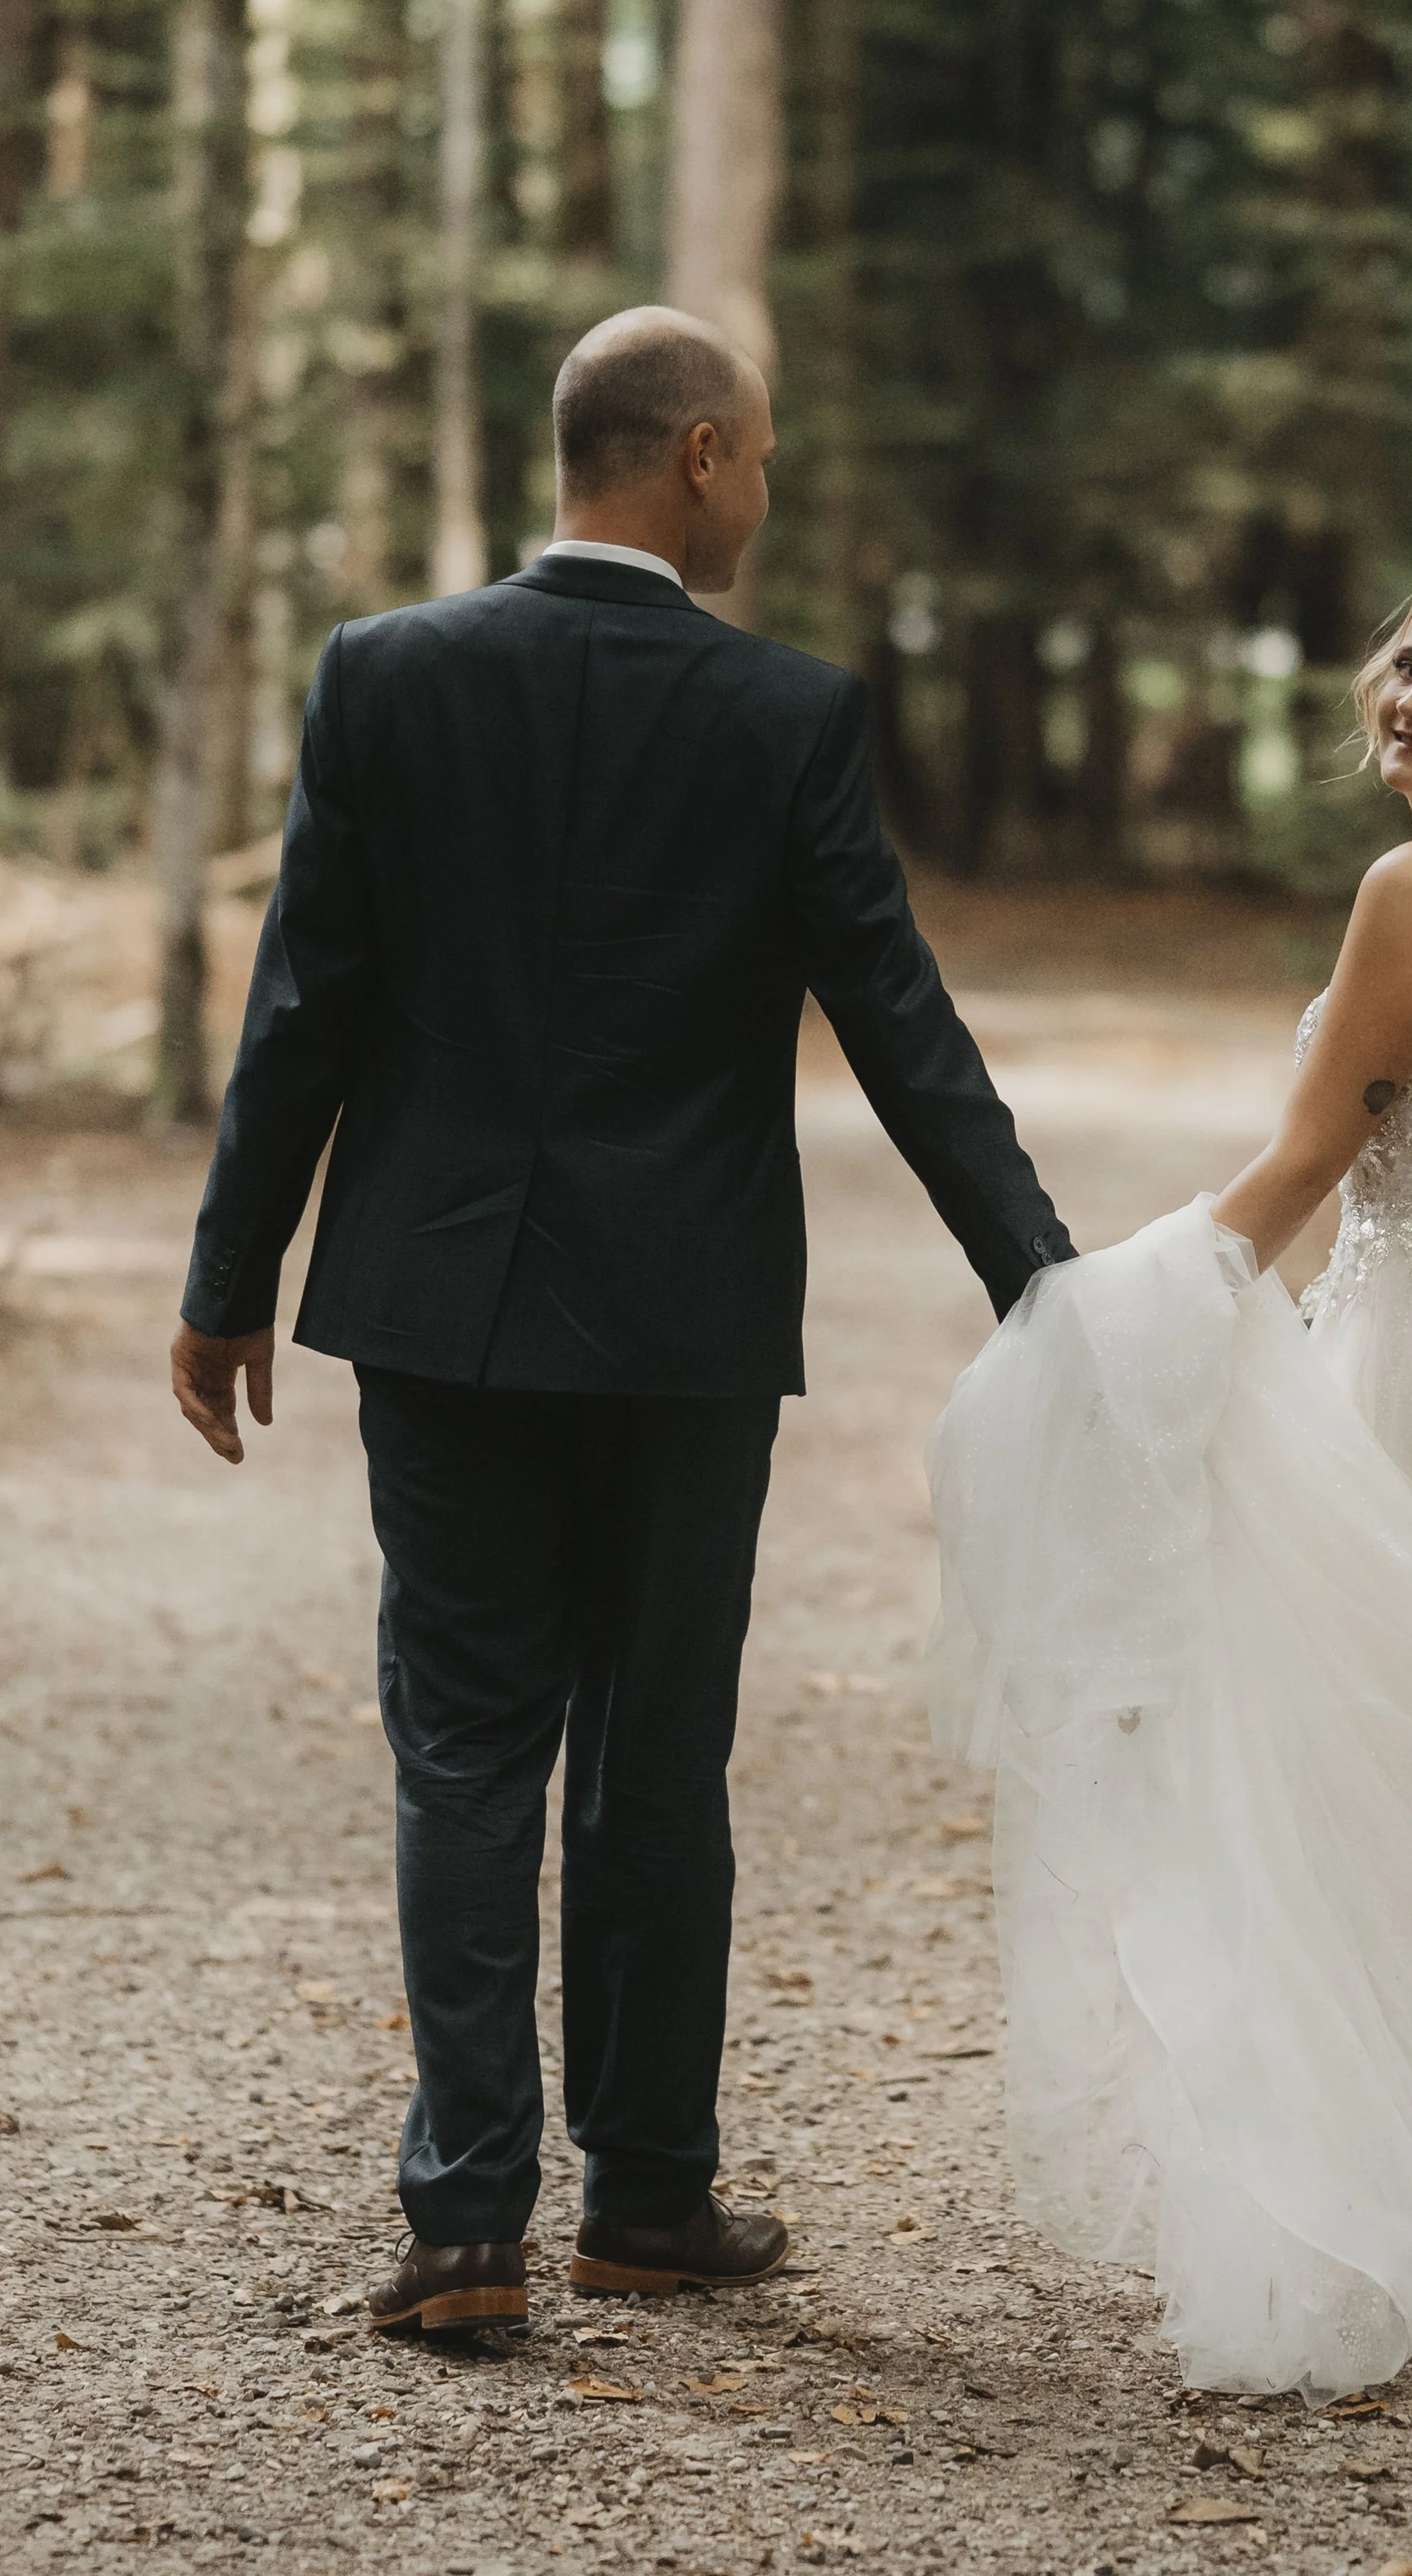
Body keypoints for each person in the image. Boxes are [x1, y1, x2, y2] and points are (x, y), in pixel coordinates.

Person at [169, 305, 1074, 2337]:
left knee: (466, 1743)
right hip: (680, 1323)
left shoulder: (386, 676)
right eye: (755, 455)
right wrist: (1048, 1280)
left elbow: (306, 997)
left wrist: (230, 1283)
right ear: (688, 458)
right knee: (653, 1756)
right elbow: (902, 1028)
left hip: (443, 1305)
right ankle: (649, 2193)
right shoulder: (786, 715)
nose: (763, 487)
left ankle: (466, 2221)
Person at [928, 572, 1412, 2417]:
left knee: (1356, 1789)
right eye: (1402, 667)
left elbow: (1307, 1161)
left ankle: (1388, 2215)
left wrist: (1117, 1316)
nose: (1410, 703)